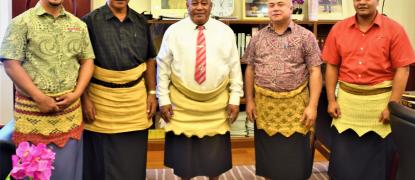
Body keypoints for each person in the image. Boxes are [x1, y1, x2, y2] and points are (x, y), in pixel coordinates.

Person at [322, 0, 415, 179]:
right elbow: (332, 66)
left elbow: (403, 69)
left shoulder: (395, 29)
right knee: (343, 165)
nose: (362, 2)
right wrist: (331, 100)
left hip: (380, 108)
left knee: (377, 167)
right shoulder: (339, 29)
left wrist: (392, 105)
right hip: (346, 107)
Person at [0, 0, 95, 179]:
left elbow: (88, 61)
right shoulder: (21, 23)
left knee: (67, 172)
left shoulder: (78, 25)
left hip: (70, 116)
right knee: (33, 173)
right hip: (33, 116)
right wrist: (39, 98)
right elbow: (11, 63)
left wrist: (77, 94)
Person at [156, 0, 243, 179]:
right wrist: (163, 99)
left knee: (215, 162)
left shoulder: (225, 31)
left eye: (204, 3)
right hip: (181, 105)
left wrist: (235, 98)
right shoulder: (173, 31)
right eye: (194, 3)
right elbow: (163, 67)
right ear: (187, 5)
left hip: (216, 106)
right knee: (184, 162)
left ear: (211, 6)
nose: (199, 7)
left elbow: (235, 67)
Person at [242, 0, 323, 179]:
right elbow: (250, 69)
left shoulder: (306, 36)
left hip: (296, 107)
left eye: (280, 4)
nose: (276, 8)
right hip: (265, 107)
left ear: (291, 8)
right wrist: (249, 100)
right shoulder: (258, 37)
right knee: (268, 158)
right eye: (271, 5)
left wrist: (313, 106)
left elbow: (315, 71)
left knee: (294, 160)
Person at [81, 0, 157, 179]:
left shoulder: (141, 21)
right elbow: (80, 62)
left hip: (135, 99)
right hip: (101, 100)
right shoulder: (88, 22)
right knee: (100, 159)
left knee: (134, 156)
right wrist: (84, 98)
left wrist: (152, 93)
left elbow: (149, 59)